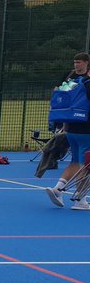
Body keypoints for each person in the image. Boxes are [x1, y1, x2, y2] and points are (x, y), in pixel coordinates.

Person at [44, 51, 90, 209]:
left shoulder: (71, 82)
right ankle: (80, 200)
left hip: (71, 128)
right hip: (86, 130)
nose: (76, 65)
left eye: (78, 62)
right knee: (86, 166)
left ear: (84, 63)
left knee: (75, 162)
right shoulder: (86, 83)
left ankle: (57, 189)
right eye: (75, 62)